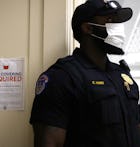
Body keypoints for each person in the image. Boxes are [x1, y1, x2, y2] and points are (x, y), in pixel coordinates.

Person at [30, 0, 140, 147]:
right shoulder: (62, 77)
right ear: (88, 28)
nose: (118, 27)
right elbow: (50, 142)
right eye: (110, 20)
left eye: (117, 21)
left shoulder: (122, 75)